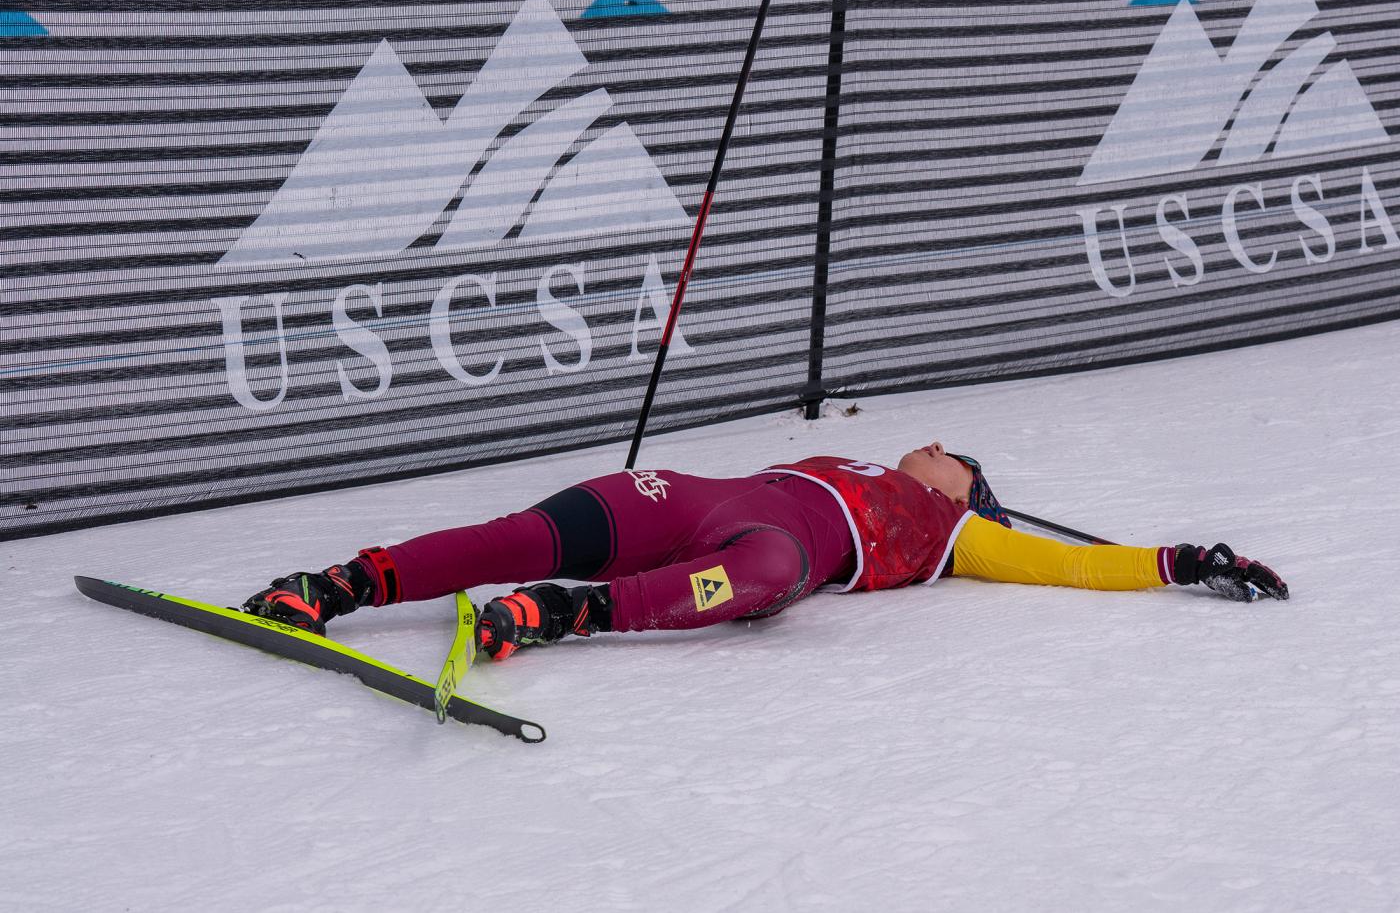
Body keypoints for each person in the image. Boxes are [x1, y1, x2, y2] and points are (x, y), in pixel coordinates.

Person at [243, 443, 1289, 659]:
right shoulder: (851, 456)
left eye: (952, 455)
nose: (930, 445)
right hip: (688, 500)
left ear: (965, 489)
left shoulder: (957, 533)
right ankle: (336, 586)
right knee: (527, 527)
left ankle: (558, 611)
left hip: (767, 546)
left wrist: (1188, 558)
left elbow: (1079, 565)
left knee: (771, 576)